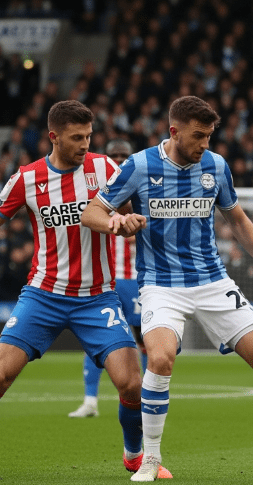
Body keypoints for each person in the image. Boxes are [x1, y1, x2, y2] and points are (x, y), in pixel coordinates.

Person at [0, 100, 171, 480]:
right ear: (53, 137)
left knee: (132, 383)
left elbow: (137, 205)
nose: (85, 144)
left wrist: (127, 219)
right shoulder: (27, 178)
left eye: (89, 136)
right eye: (76, 138)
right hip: (43, 295)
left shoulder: (106, 168)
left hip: (97, 297)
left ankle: (135, 456)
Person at [82, 96, 253, 482]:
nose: (205, 143)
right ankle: (150, 459)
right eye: (198, 136)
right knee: (160, 358)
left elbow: (236, 218)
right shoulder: (139, 165)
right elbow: (92, 212)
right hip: (160, 285)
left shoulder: (216, 166)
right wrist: (118, 223)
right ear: (174, 131)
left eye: (209, 135)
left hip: (212, 281)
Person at [68, 139, 147, 418]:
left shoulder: (141, 194)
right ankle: (90, 401)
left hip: (138, 280)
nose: (118, 160)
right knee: (99, 341)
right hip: (107, 281)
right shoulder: (95, 197)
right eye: (113, 155)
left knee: (146, 338)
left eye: (123, 155)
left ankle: (148, 396)